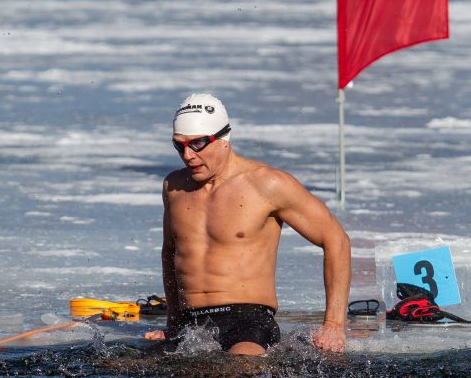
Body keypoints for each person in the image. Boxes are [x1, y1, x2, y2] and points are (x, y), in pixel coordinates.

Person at [144, 93, 351, 354]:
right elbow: (170, 253)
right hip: (191, 324)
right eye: (179, 146)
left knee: (239, 373)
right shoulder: (173, 187)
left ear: (223, 139)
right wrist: (173, 322)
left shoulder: (267, 184)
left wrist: (333, 324)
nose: (187, 155)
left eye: (197, 144)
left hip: (248, 322)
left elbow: (336, 239)